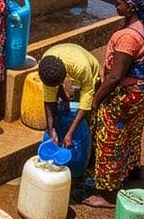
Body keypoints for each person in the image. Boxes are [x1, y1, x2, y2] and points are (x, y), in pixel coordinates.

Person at [81, 0, 144, 209]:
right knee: (132, 129)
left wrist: (96, 101)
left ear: (131, 7)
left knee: (111, 134)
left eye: (119, 4)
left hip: (128, 91)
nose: (115, 6)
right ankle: (132, 169)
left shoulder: (128, 37)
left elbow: (115, 76)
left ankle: (107, 193)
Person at [37, 45, 99, 179]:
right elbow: (48, 100)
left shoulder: (81, 68)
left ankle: (92, 154)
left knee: (91, 110)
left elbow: (85, 102)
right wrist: (51, 128)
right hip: (64, 62)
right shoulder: (46, 66)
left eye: (59, 84)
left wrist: (70, 133)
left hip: (91, 73)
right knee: (60, 104)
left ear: (65, 75)